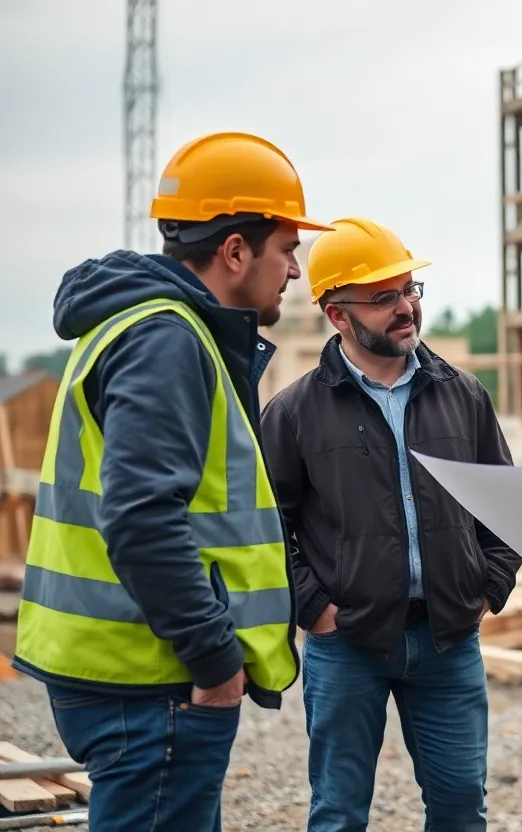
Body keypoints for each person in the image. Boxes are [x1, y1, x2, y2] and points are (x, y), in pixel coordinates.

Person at [13, 131, 331, 831]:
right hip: (153, 677)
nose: (295, 271)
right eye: (287, 249)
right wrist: (215, 660)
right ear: (235, 250)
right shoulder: (166, 339)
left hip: (134, 670)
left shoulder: (141, 326)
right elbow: (140, 516)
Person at [258, 216, 522, 831]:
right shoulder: (294, 412)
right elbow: (267, 526)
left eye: (408, 290)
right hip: (346, 644)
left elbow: (505, 504)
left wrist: (487, 588)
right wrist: (314, 608)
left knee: (461, 807)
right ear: (337, 315)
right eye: (382, 298)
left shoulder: (463, 395)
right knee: (339, 813)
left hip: (448, 637)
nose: (405, 307)